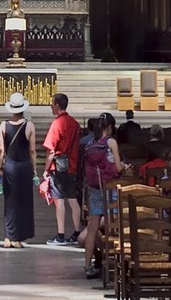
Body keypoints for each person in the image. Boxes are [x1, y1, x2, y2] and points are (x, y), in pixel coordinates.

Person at [79, 112, 121, 278]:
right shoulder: (111, 142)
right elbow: (117, 167)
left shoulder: (90, 144)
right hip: (110, 189)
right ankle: (117, 262)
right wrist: (124, 166)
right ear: (109, 127)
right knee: (116, 227)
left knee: (92, 229)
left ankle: (88, 265)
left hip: (95, 189)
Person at [42, 92, 83, 244]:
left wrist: (46, 170)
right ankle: (77, 233)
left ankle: (60, 235)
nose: (51, 107)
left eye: (52, 104)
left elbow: (51, 150)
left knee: (59, 201)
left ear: (57, 105)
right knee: (73, 200)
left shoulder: (57, 124)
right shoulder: (74, 123)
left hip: (58, 167)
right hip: (71, 166)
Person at [0, 94, 37, 247]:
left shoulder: (3, 125)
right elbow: (32, 150)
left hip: (9, 166)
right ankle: (17, 237)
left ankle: (8, 236)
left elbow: (1, 150)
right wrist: (34, 170)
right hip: (24, 166)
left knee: (9, 202)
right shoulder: (29, 125)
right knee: (23, 202)